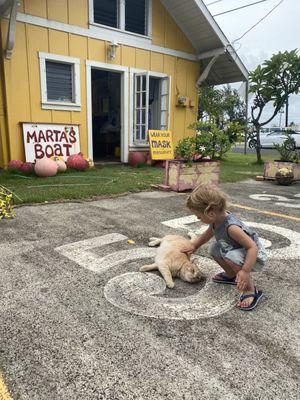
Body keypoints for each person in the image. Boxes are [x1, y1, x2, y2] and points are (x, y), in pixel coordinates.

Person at [183, 184, 267, 311]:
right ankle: (231, 274)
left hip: (254, 256)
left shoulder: (231, 227)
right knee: (214, 248)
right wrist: (194, 246)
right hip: (238, 250)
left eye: (199, 216)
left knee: (230, 256)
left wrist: (245, 271)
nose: (197, 218)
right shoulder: (216, 220)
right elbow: (207, 235)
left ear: (210, 213)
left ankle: (250, 289)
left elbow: (252, 248)